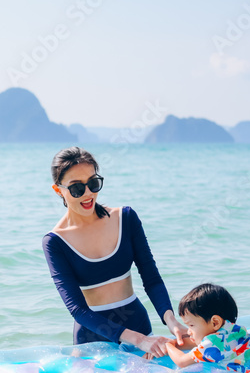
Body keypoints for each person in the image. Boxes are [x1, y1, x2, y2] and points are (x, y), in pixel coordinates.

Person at [42, 146, 189, 357]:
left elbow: (151, 278)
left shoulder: (126, 219)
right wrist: (139, 340)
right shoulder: (55, 242)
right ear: (58, 190)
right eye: (77, 188)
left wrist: (171, 321)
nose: (88, 194)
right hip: (91, 339)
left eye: (93, 183)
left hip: (137, 322)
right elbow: (78, 310)